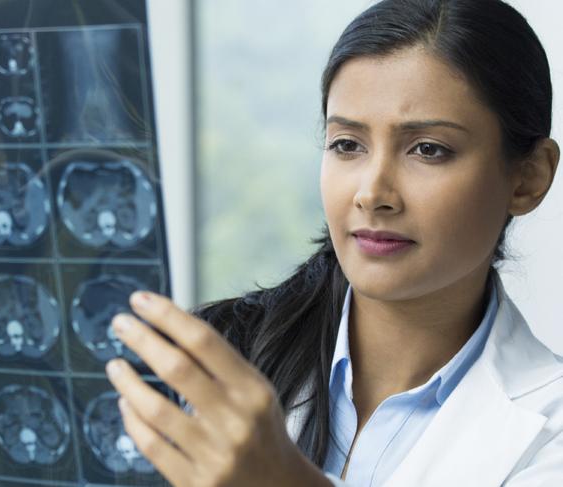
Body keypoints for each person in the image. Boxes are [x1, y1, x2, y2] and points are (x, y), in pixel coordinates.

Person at [105, 0, 563, 485]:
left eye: (428, 150)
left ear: (527, 180)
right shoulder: (213, 363)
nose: (372, 193)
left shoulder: (548, 432)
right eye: (347, 144)